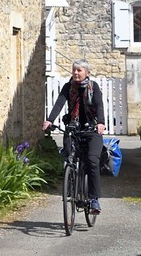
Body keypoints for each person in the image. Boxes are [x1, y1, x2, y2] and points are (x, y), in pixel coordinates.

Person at [44, 59, 105, 213]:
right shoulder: (68, 87)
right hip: (74, 128)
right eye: (74, 70)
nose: (76, 73)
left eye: (79, 70)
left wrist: (101, 122)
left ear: (87, 73)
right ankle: (70, 183)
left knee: (92, 161)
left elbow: (99, 105)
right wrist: (50, 120)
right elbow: (59, 103)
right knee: (69, 157)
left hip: (92, 129)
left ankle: (94, 199)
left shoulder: (93, 87)